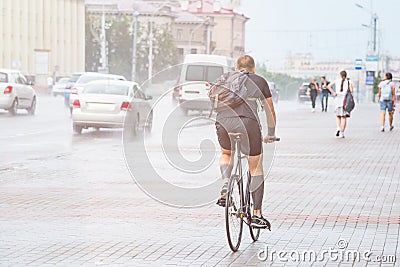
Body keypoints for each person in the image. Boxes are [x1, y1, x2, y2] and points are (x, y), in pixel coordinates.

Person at [214, 55, 277, 229]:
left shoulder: (226, 79)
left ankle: (226, 182)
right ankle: (257, 214)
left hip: (223, 122)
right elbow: (269, 109)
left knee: (226, 153)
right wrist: (271, 133)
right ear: (253, 68)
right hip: (248, 123)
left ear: (237, 67)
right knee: (255, 166)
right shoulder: (259, 81)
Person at [327, 70, 354, 138]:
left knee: (338, 116)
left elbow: (328, 86)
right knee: (344, 117)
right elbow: (351, 90)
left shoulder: (337, 80)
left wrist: (333, 93)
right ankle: (342, 133)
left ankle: (338, 127)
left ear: (340, 75)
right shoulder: (348, 82)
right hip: (345, 102)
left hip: (337, 101)